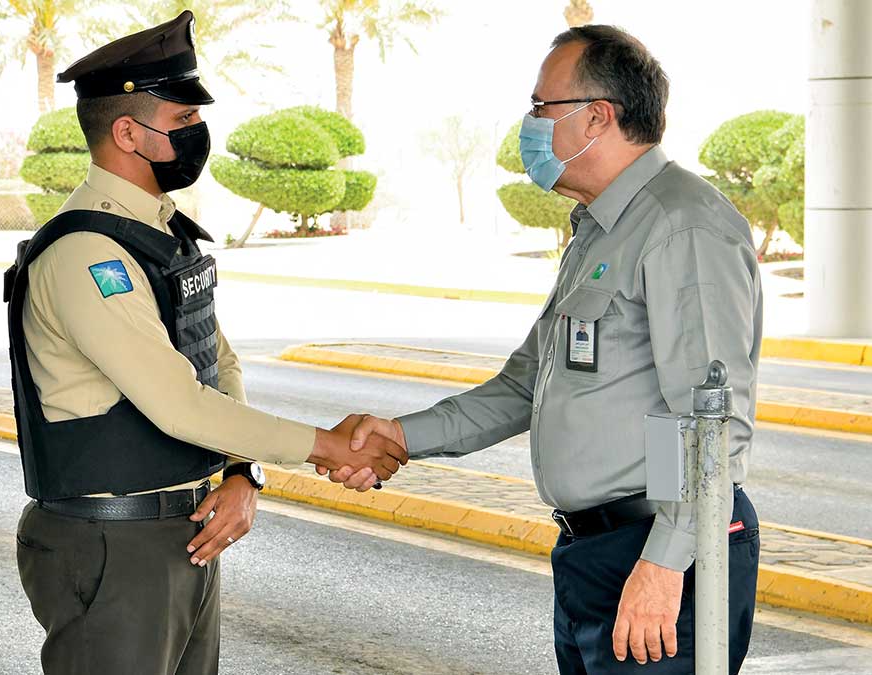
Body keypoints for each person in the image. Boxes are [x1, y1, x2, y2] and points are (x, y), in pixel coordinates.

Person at [326, 24, 762, 674]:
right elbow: (525, 386)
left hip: (659, 549)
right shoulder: (602, 229)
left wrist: (665, 564)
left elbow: (706, 420)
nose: (529, 125)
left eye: (540, 108)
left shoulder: (680, 226)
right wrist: (399, 436)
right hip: (595, 553)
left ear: (598, 116)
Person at [2, 12, 406, 675]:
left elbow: (219, 363)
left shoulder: (164, 235)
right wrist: (327, 446)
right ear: (128, 132)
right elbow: (178, 405)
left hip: (186, 535)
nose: (198, 135)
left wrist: (243, 471)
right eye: (182, 121)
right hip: (113, 545)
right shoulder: (86, 254)